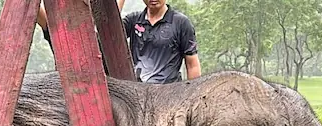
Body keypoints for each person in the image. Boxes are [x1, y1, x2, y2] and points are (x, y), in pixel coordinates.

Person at [36, 0, 201, 82]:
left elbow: (108, 21)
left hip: (164, 95)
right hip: (78, 91)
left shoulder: (180, 23)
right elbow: (42, 19)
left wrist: (192, 98)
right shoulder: (61, 33)